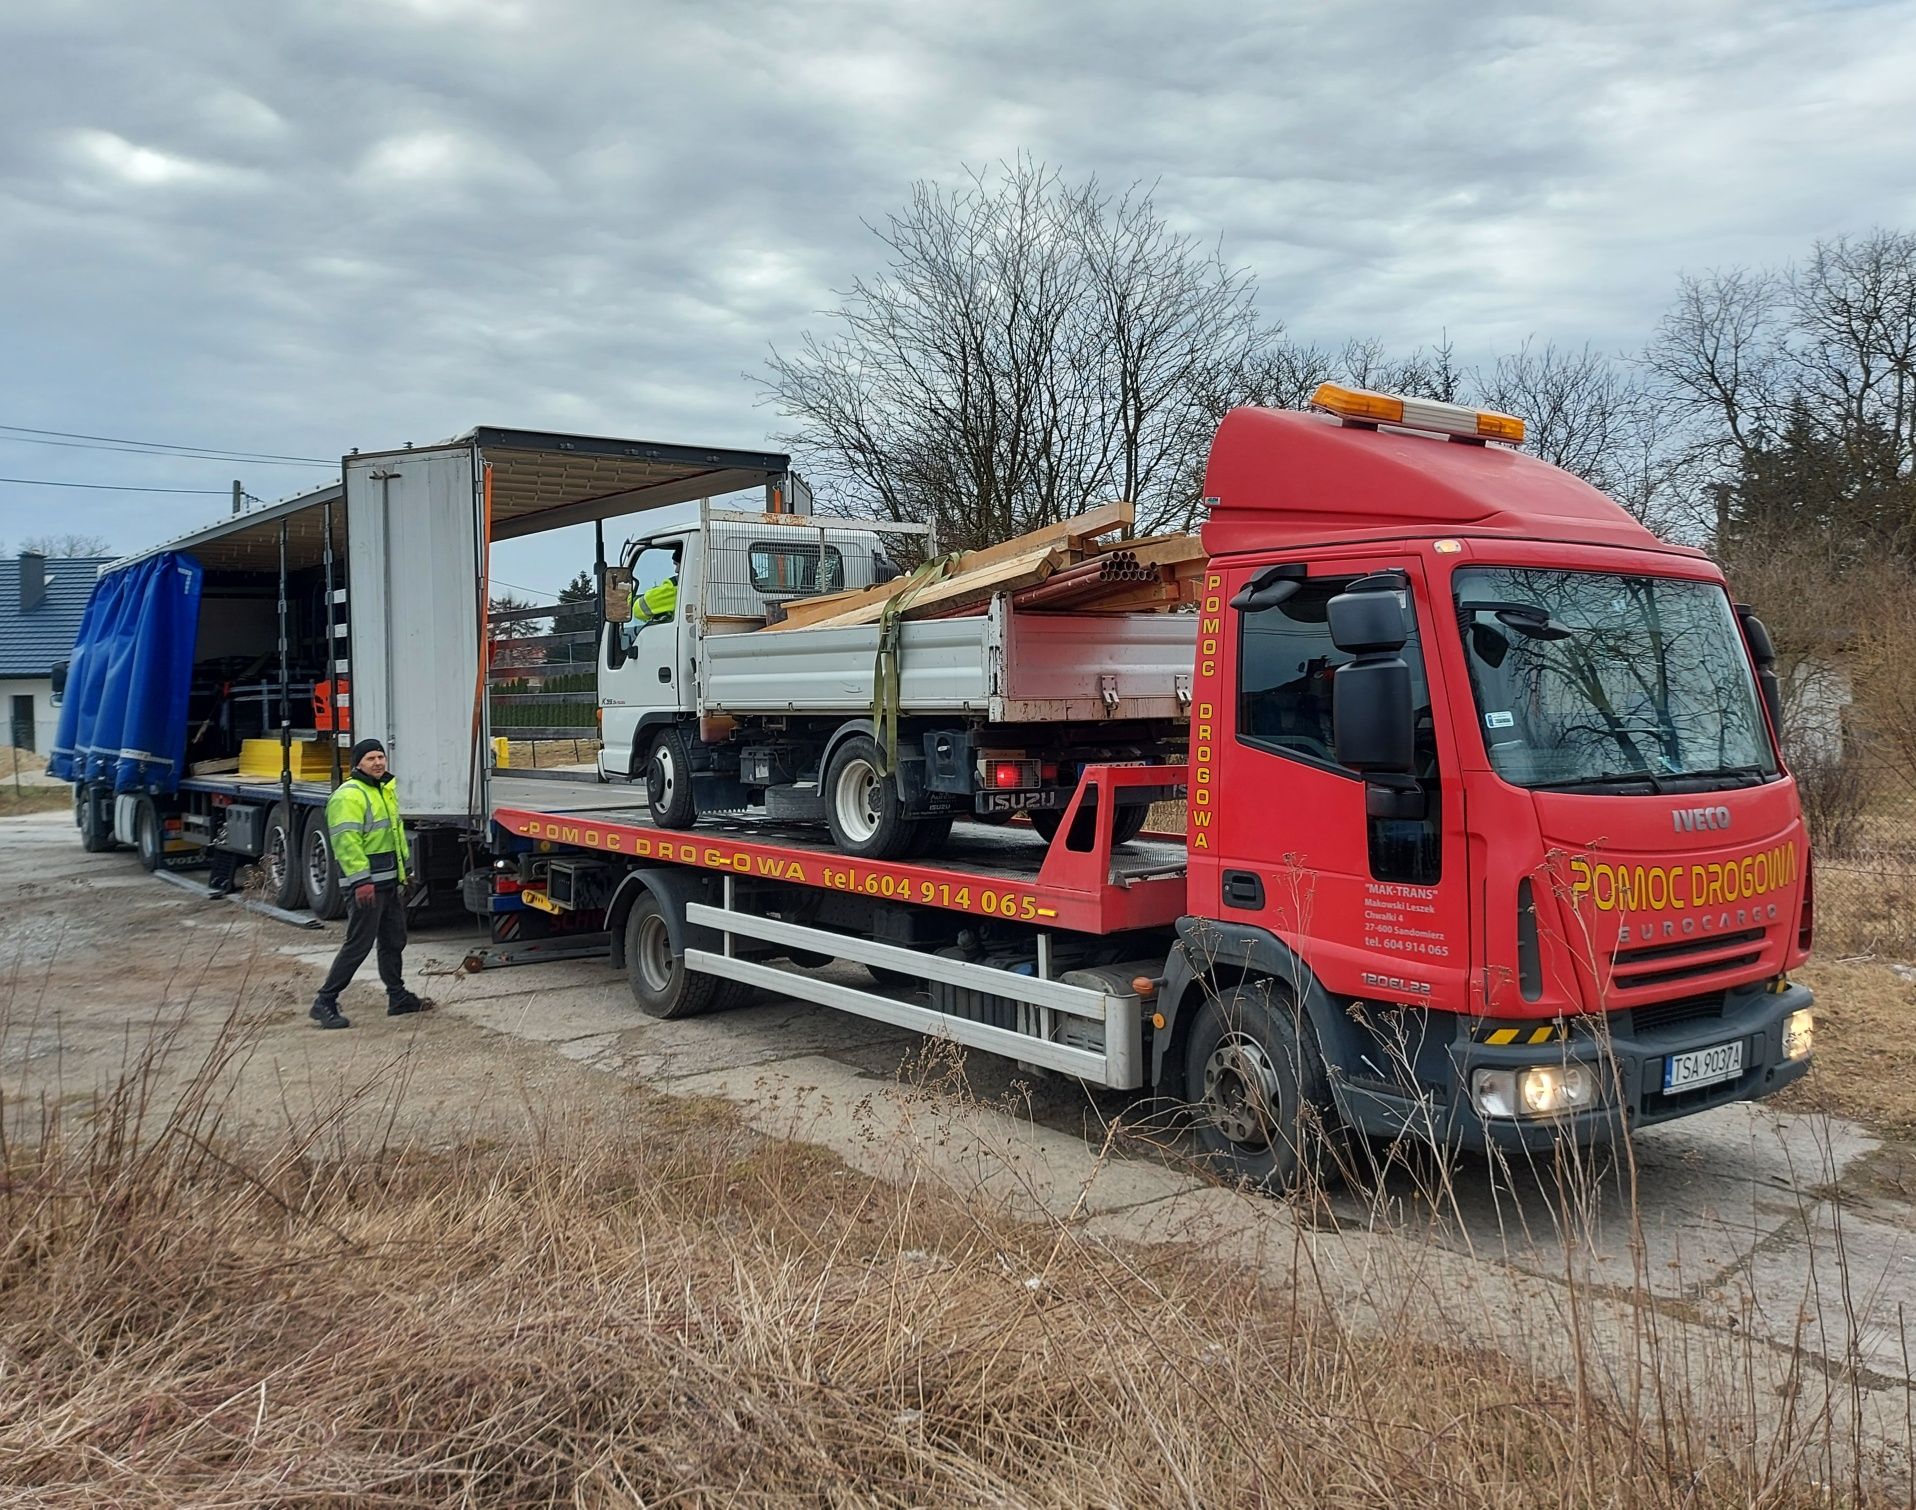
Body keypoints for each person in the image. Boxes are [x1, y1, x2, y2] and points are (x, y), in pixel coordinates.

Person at [309, 737, 428, 1029]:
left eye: (381, 757)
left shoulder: (383, 791)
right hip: (366, 887)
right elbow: (347, 842)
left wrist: (404, 875)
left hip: (387, 883)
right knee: (358, 945)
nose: (378, 763)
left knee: (393, 940)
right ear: (358, 763)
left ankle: (397, 997)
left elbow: (392, 837)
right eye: (371, 758)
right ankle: (324, 1001)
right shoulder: (349, 795)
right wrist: (361, 881)